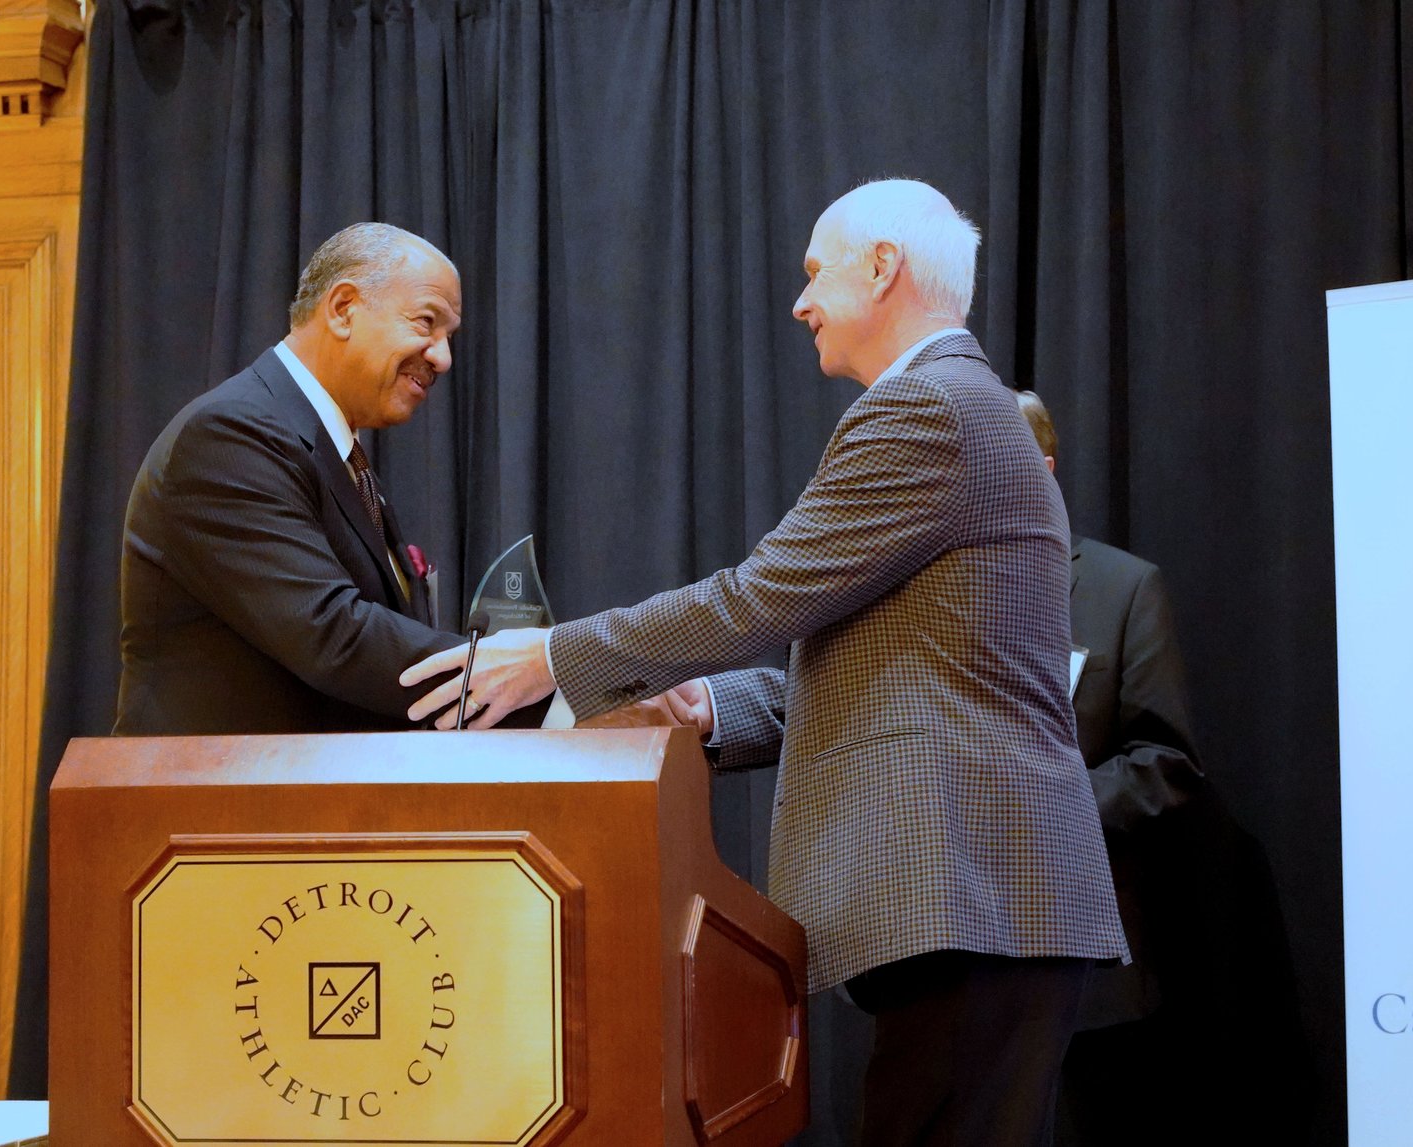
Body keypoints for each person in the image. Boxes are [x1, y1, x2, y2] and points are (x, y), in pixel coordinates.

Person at [401, 180, 1129, 1145]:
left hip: (978, 891)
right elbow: (888, 674)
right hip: (985, 898)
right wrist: (706, 704)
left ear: (882, 267)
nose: (800, 302)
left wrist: (553, 658)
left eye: (813, 270)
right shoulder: (957, 404)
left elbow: (760, 596)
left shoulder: (928, 407)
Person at [115, 222, 546, 734]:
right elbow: (335, 636)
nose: (442, 357)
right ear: (343, 309)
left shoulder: (340, 456)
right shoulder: (229, 436)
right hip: (214, 804)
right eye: (426, 323)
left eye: (447, 337)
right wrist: (554, 687)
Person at [1015, 390, 1211, 1143]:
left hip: (1085, 975)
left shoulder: (1124, 589)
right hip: (956, 966)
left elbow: (1169, 762)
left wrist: (1048, 805)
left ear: (1044, 468)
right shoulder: (933, 595)